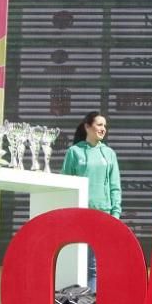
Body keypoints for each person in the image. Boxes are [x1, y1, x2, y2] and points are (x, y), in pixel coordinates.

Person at [60, 112, 122, 293]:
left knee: (96, 264)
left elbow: (115, 186)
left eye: (105, 126)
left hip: (103, 215)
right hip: (80, 214)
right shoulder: (74, 152)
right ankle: (76, 302)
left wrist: (115, 215)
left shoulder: (109, 154)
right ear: (87, 126)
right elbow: (66, 183)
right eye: (99, 125)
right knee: (79, 261)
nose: (103, 129)